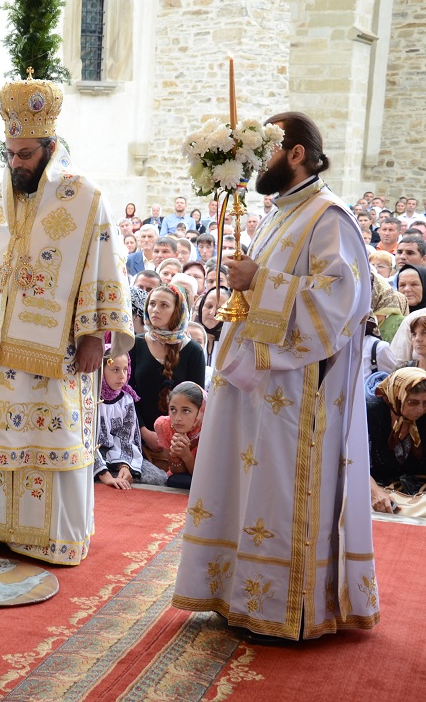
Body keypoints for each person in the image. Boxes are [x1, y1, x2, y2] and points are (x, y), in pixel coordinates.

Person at [172, 111, 379, 641]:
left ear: (296, 153)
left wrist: (260, 281)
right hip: (253, 386)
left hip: (295, 394)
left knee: (275, 492)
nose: (255, 164)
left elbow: (339, 302)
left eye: (265, 150)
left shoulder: (328, 217)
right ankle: (234, 593)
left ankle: (279, 610)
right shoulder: (279, 214)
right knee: (245, 486)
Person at [0, 73, 133, 567]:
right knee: (3, 438)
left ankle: (55, 538)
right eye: (10, 153)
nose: (16, 163)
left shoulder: (84, 196)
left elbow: (102, 265)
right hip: (1, 354)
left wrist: (97, 337)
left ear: (49, 147)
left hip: (60, 352)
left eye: (25, 155)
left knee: (54, 439)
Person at [129, 285, 206, 463]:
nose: (155, 310)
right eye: (152, 304)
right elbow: (127, 393)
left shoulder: (193, 351)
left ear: (177, 311)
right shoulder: (135, 344)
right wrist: (144, 433)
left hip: (177, 445)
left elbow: (197, 403)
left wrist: (171, 441)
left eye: (164, 305)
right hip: (137, 438)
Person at [95, 351, 167, 489]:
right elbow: (87, 441)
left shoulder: (126, 399)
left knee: (160, 478)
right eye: (115, 370)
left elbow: (126, 437)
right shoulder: (90, 400)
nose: (122, 376)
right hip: (93, 459)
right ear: (100, 369)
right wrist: (105, 474)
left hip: (118, 456)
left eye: (125, 369)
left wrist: (125, 466)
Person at [366, 368, 426, 513]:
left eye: (425, 403)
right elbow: (353, 462)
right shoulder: (371, 413)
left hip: (416, 491)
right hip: (375, 487)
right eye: (413, 402)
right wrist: (375, 492)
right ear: (397, 396)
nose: (420, 409)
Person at [154, 381, 205, 489]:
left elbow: (203, 477)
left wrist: (187, 455)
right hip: (182, 477)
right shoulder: (164, 426)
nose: (177, 418)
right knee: (176, 481)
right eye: (173, 409)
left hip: (206, 478)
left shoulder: (210, 430)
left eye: (185, 411)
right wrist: (175, 457)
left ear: (200, 410)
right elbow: (176, 472)